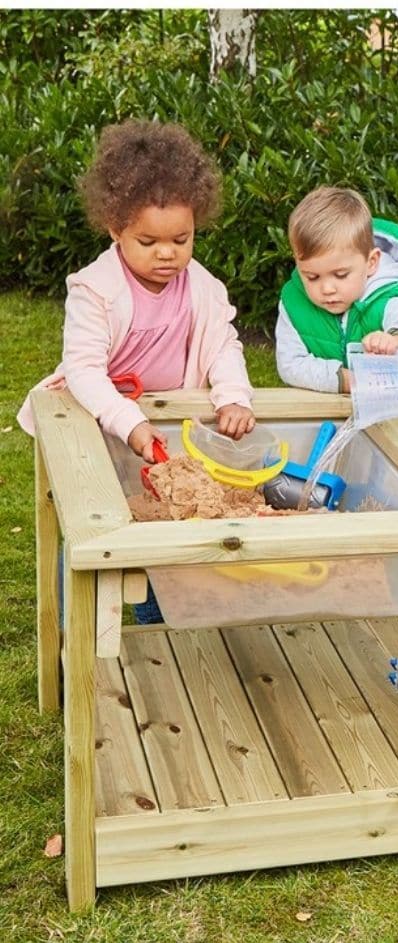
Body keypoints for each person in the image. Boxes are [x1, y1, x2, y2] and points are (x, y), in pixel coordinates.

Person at [18, 119, 256, 623]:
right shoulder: (94, 289)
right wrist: (126, 421)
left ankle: (155, 622)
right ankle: (72, 631)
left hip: (162, 421)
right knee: (90, 526)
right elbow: (83, 370)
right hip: (94, 418)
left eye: (181, 239)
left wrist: (233, 396)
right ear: (115, 228)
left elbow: (223, 346)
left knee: (161, 519)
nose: (167, 253)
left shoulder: (203, 288)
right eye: (148, 241)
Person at [275, 186, 398, 392]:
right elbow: (290, 365)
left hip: (394, 401)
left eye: (341, 275)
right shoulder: (294, 304)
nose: (327, 288)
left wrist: (397, 342)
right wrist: (346, 380)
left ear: (371, 263)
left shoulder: (385, 301)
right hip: (326, 408)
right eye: (312, 277)